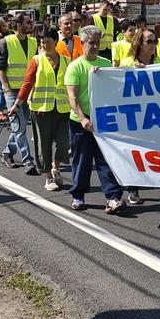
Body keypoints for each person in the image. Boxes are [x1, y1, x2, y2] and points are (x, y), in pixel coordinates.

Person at [118, 27, 160, 206]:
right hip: (136, 117)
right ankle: (133, 190)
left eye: (155, 41)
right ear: (139, 43)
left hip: (157, 117)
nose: (153, 45)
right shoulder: (127, 62)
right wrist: (132, 70)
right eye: (149, 41)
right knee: (135, 154)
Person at [64, 24, 125, 213]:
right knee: (81, 160)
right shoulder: (75, 67)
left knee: (106, 159)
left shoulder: (105, 64)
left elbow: (117, 87)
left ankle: (113, 197)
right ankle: (78, 195)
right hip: (80, 122)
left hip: (102, 119)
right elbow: (73, 97)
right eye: (91, 43)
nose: (95, 46)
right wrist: (83, 118)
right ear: (82, 43)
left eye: (98, 43)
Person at [8, 28, 71, 191]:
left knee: (64, 143)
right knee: (44, 144)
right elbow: (27, 83)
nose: (44, 45)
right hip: (41, 109)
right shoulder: (36, 60)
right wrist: (17, 104)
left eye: (47, 42)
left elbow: (72, 83)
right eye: (42, 42)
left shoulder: (66, 60)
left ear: (56, 42)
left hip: (63, 109)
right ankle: (48, 177)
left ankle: (55, 167)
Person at [0, 13, 38, 173]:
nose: (31, 25)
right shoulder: (6, 42)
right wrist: (6, 87)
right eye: (28, 22)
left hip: (28, 90)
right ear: (18, 25)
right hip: (12, 90)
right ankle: (28, 161)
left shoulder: (34, 42)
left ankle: (7, 153)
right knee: (19, 126)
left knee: (19, 126)